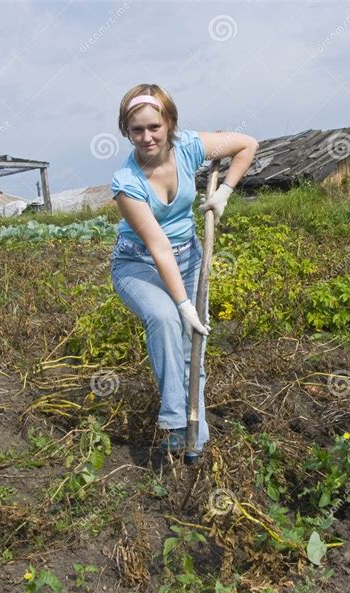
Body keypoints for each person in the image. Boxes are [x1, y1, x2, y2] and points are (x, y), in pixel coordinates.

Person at [110, 83, 259, 464]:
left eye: (154, 127)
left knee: (195, 343)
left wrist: (224, 191)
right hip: (138, 265)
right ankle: (178, 425)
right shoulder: (127, 183)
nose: (147, 137)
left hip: (189, 258)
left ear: (169, 124)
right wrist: (181, 303)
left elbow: (247, 145)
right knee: (164, 319)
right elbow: (158, 248)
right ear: (127, 131)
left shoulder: (190, 146)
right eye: (137, 130)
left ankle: (196, 436)